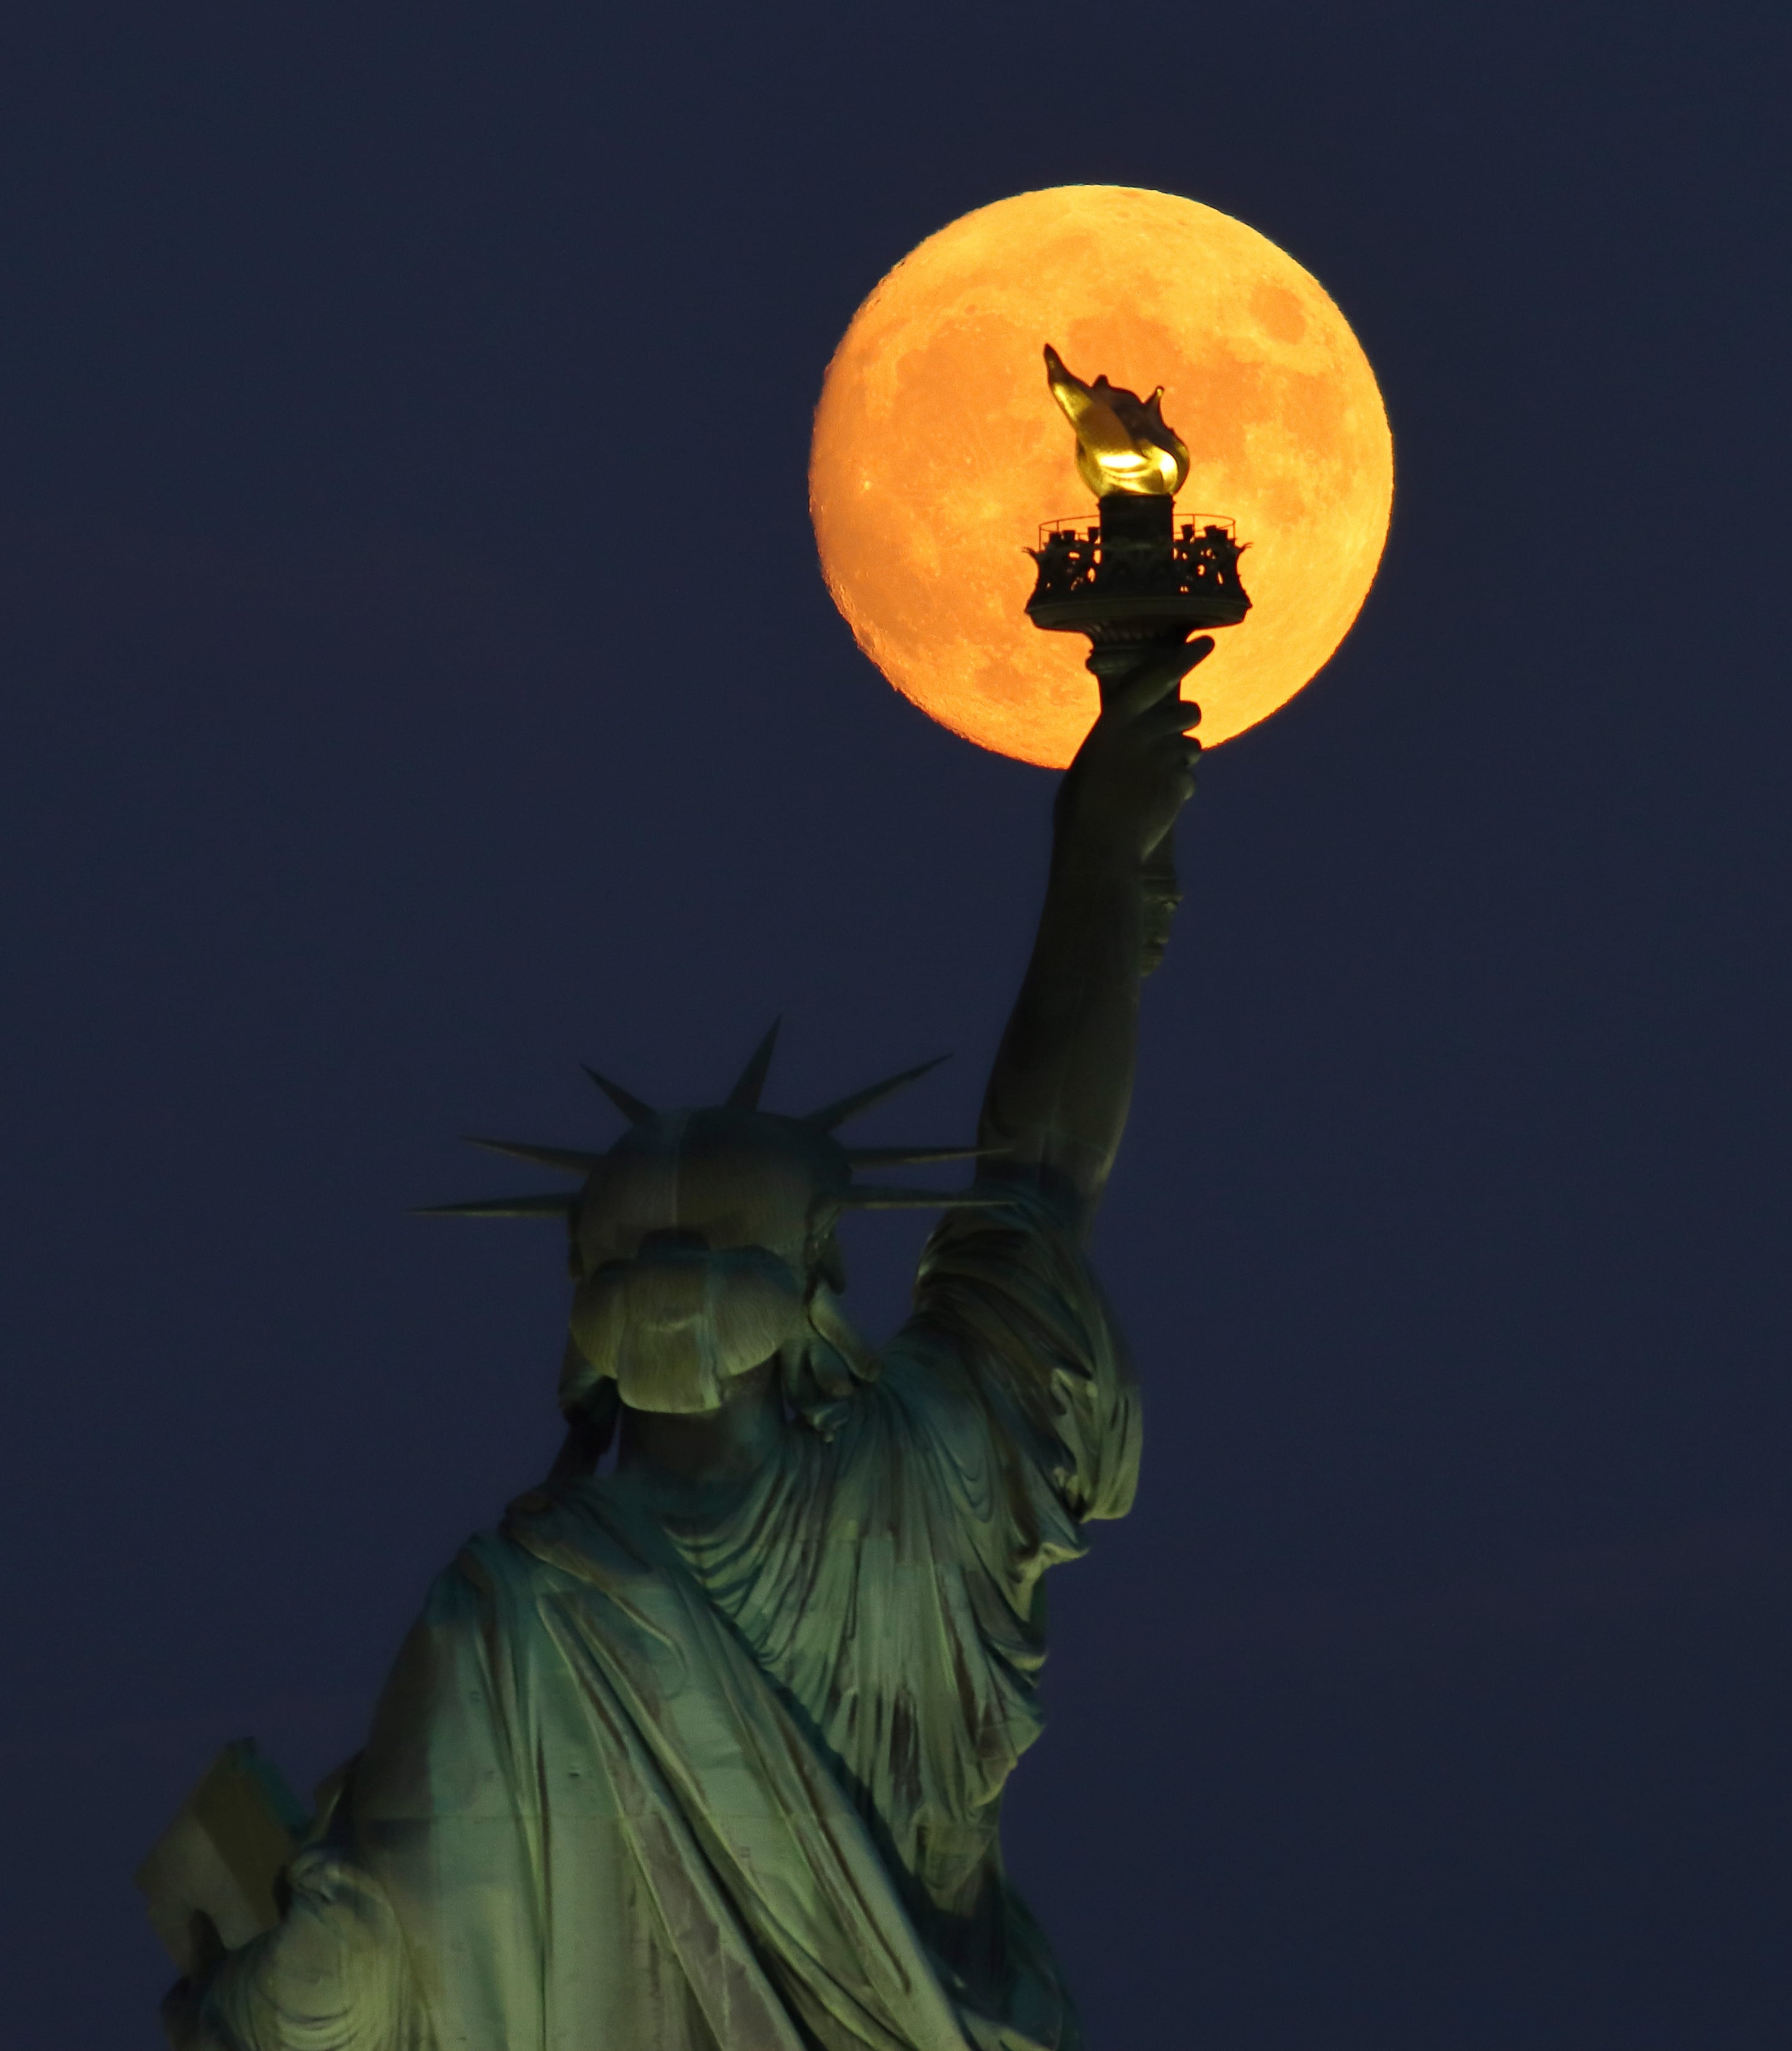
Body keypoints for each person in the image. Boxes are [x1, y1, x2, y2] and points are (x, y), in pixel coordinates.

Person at [161, 637, 1211, 2051]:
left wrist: (241, 1974)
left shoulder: (509, 1611)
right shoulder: (935, 1479)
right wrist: (1095, 851)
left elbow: (343, 1990)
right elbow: (1041, 1166)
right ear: (818, 1283)